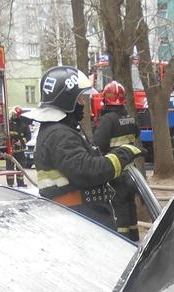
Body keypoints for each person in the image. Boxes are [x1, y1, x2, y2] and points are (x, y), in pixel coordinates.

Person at [24, 66, 143, 229]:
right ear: (67, 100)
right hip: (78, 219)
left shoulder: (58, 131)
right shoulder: (59, 135)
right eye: (79, 99)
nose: (83, 104)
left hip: (78, 216)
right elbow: (88, 171)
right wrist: (124, 154)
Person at [93, 81, 141, 241]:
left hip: (116, 172)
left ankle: (123, 241)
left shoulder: (108, 120)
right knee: (130, 204)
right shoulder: (130, 119)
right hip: (131, 172)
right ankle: (134, 236)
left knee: (118, 206)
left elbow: (98, 144)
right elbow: (136, 134)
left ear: (106, 99)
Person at [7, 105, 31, 188]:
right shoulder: (9, 122)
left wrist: (21, 142)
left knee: (20, 167)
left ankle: (20, 183)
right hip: (10, 149)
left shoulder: (24, 123)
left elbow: (28, 136)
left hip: (20, 150)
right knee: (10, 167)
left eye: (15, 114)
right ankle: (10, 184)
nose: (13, 115)